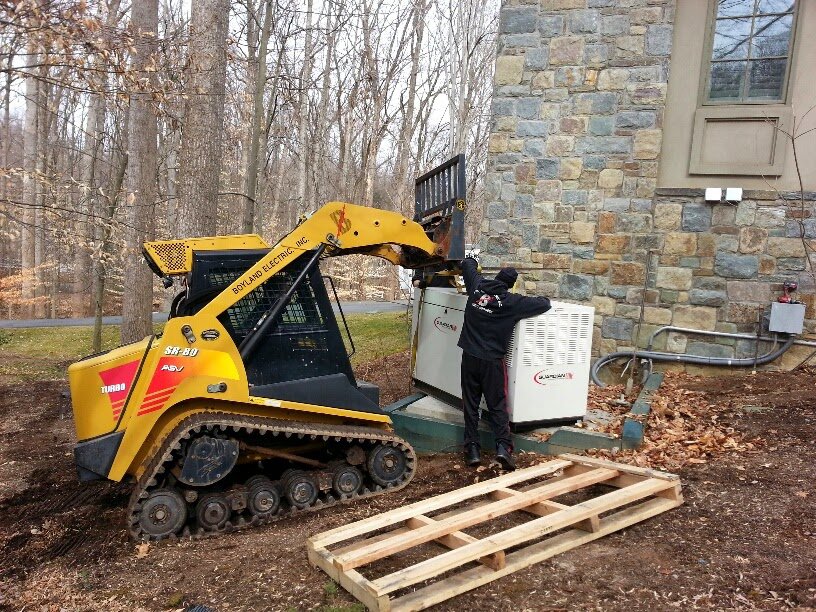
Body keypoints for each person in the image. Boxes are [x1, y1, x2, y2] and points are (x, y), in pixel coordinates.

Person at [457, 257, 551, 470]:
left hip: (469, 357)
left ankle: (472, 450)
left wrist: (472, 261)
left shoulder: (477, 287)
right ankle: (502, 449)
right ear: (510, 285)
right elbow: (544, 303)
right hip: (492, 362)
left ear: (496, 277)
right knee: (497, 405)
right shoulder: (512, 303)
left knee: (470, 405)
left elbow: (468, 266)